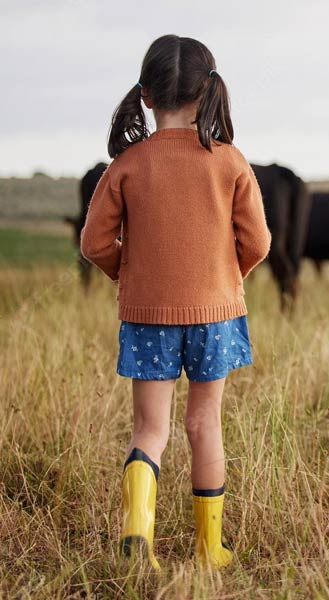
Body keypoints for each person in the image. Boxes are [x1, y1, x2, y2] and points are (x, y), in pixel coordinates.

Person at [80, 34, 271, 570]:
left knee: (150, 430)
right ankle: (210, 549)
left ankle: (137, 533)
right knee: (204, 425)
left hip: (146, 317)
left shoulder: (126, 164)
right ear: (208, 92)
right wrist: (224, 280)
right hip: (216, 315)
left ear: (145, 96)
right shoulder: (230, 162)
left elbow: (94, 243)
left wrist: (131, 275)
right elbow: (258, 243)